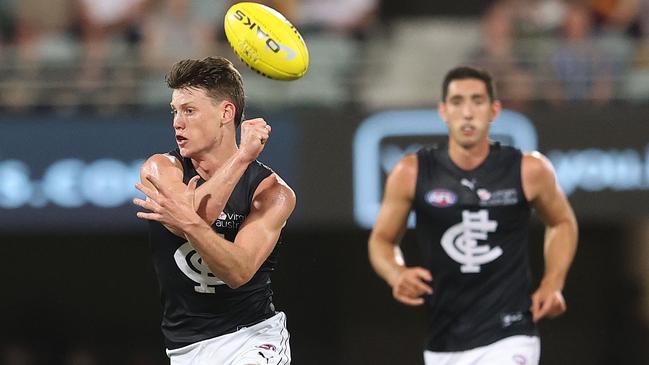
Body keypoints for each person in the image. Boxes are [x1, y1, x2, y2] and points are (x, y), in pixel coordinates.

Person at [368, 66, 578, 365]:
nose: (467, 113)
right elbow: (382, 240)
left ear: (494, 110)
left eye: (477, 101)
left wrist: (553, 283)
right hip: (444, 341)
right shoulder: (411, 172)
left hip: (511, 332)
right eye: (457, 102)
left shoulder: (529, 170)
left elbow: (562, 222)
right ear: (443, 111)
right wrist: (396, 273)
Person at [133, 56, 295, 364]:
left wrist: (190, 225)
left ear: (226, 113)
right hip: (185, 349)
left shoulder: (272, 192)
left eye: (189, 111)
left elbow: (238, 271)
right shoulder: (161, 167)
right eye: (174, 111)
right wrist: (241, 158)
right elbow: (198, 214)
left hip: (253, 338)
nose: (177, 122)